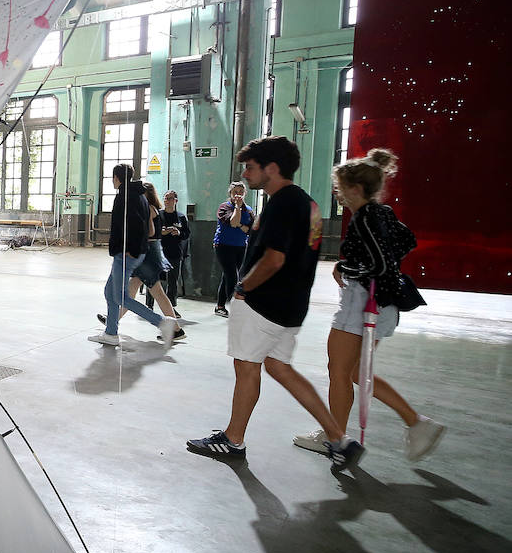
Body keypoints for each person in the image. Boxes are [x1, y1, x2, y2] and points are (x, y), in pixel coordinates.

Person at [187, 136, 363, 470]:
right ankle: (339, 438)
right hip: (292, 305)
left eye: (250, 167)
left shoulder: (281, 204)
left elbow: (274, 259)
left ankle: (232, 440)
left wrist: (242, 287)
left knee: (246, 367)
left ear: (272, 168)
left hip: (263, 303)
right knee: (279, 367)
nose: (246, 173)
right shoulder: (309, 204)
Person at [293, 149, 445, 461]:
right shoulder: (383, 212)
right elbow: (407, 241)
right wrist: (373, 262)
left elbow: (376, 264)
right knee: (356, 373)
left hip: (362, 305)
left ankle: (332, 436)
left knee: (339, 370)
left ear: (355, 189)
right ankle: (417, 423)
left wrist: (345, 268)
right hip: (382, 305)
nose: (337, 192)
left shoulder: (364, 217)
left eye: (340, 186)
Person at [90, 163, 180, 349]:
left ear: (116, 178)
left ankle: (162, 322)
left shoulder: (126, 197)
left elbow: (137, 226)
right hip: (130, 253)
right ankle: (111, 332)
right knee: (110, 292)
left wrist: (129, 249)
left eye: (112, 178)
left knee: (121, 297)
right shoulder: (138, 196)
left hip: (126, 254)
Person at [102, 181, 186, 338]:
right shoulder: (152, 208)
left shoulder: (148, 208)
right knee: (137, 290)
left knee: (152, 292)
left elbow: (150, 232)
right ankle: (112, 321)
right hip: (150, 253)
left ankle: (173, 328)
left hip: (148, 255)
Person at [212, 180, 253, 316]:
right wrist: (237, 207)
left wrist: (241, 226)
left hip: (240, 246)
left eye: (241, 192)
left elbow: (250, 229)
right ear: (230, 193)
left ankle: (220, 306)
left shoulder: (249, 210)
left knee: (227, 276)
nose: (238, 195)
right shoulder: (225, 207)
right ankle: (235, 306)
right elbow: (233, 222)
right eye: (235, 192)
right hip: (223, 245)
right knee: (231, 276)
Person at [157, 190, 191, 311]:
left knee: (172, 281)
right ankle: (149, 306)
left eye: (170, 198)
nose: (167, 201)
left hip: (175, 252)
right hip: (159, 252)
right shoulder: (158, 215)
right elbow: (154, 231)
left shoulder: (181, 217)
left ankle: (171, 307)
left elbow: (186, 234)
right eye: (165, 198)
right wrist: (163, 232)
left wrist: (178, 232)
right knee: (155, 280)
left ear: (175, 201)